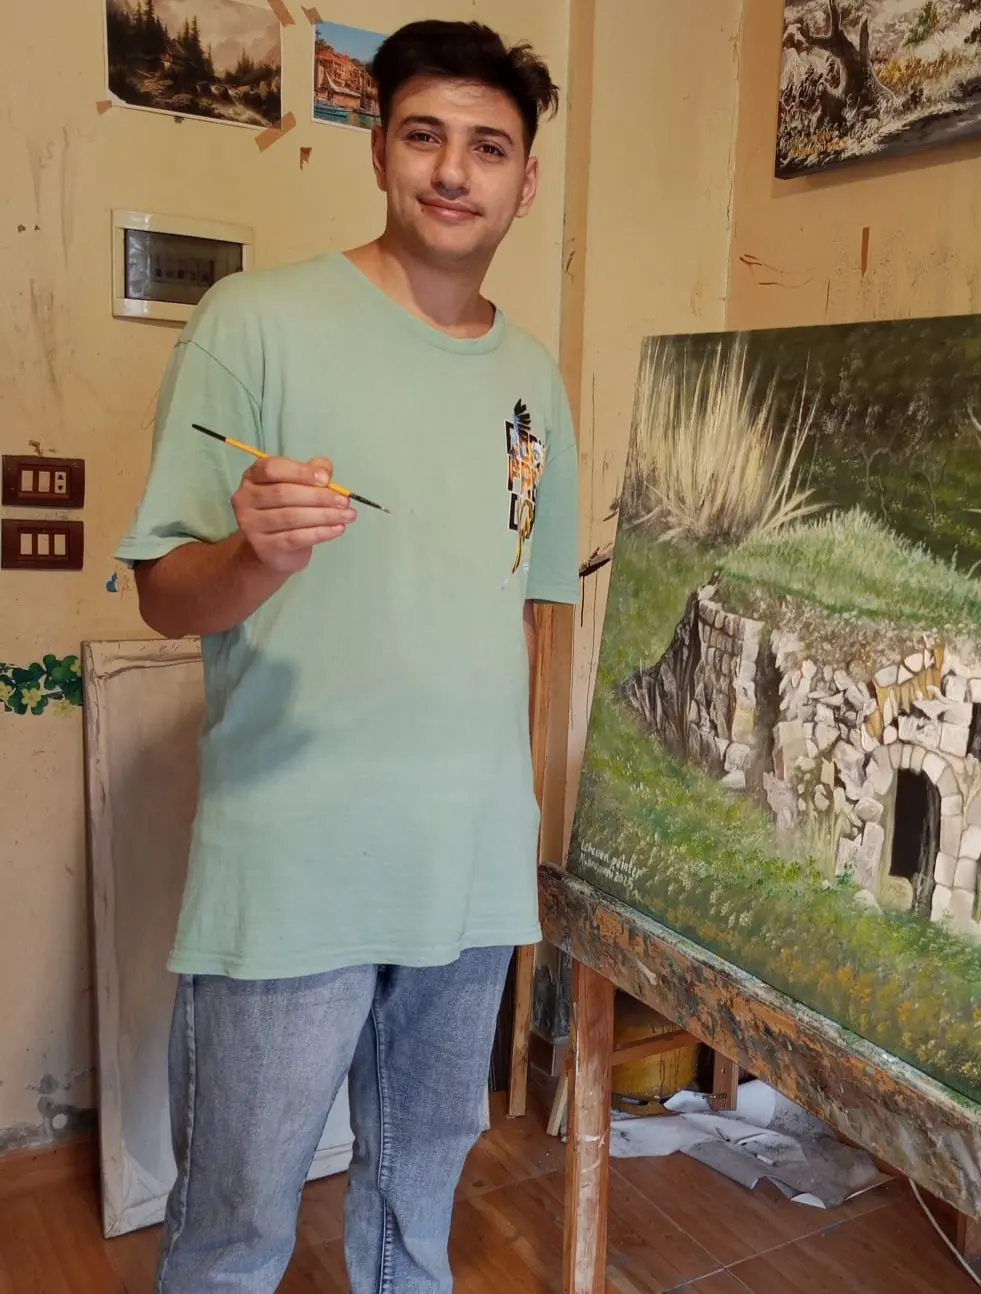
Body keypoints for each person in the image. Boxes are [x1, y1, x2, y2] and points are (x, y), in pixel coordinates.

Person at [115, 19, 578, 1292]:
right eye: (424, 135)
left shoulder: (533, 382)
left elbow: (524, 617)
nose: (453, 171)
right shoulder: (252, 323)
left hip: (467, 872)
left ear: (525, 182)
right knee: (233, 1230)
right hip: (293, 866)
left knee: (412, 1217)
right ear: (378, 151)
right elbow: (163, 594)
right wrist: (254, 554)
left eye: (488, 147)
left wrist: (516, 825)